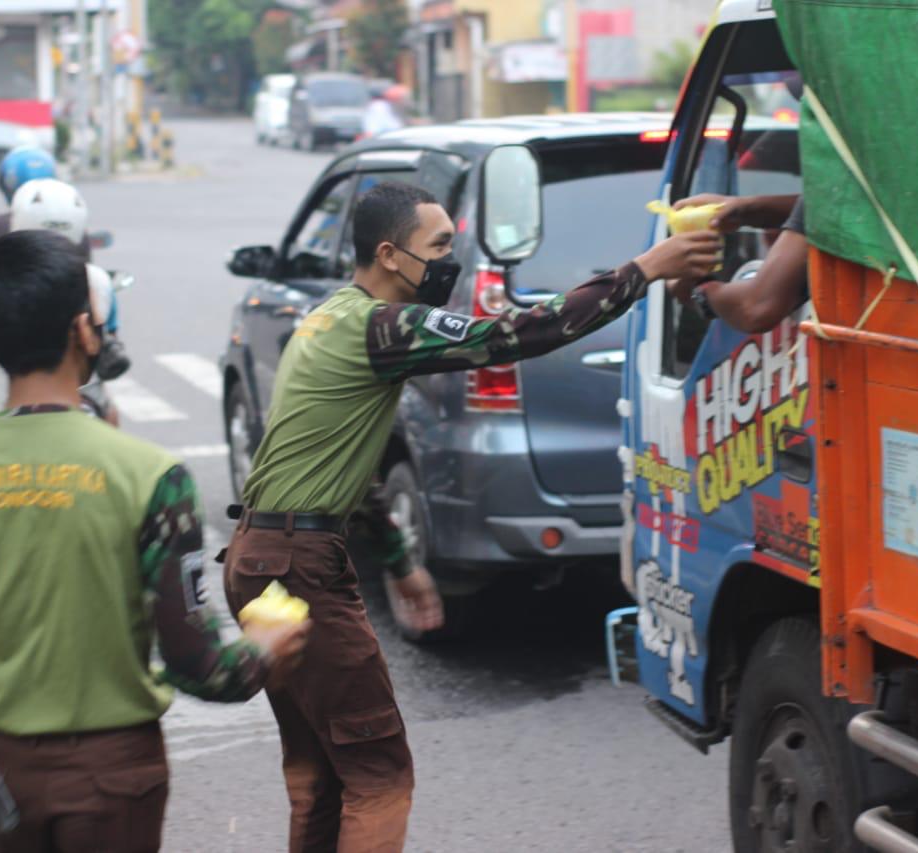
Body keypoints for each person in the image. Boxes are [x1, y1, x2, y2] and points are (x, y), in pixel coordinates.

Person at [224, 181, 721, 852]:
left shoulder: (328, 318)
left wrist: (401, 564)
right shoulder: (383, 325)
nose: (447, 263)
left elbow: (333, 472)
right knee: (379, 774)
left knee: (322, 770)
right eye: (438, 248)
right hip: (300, 567)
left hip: (263, 559)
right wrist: (644, 271)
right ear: (390, 255)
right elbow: (520, 333)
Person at [0, 229, 310, 853]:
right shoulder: (150, 477)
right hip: (114, 775)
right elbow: (200, 667)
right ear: (84, 331)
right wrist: (265, 646)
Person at [0, 153, 129, 441]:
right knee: (110, 417)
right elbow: (107, 346)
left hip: (5, 398)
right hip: (84, 395)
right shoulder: (97, 282)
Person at [666, 193, 808, 333]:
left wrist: (697, 290)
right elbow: (810, 208)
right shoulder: (824, 192)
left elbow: (755, 310)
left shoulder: (824, 186)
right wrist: (744, 209)